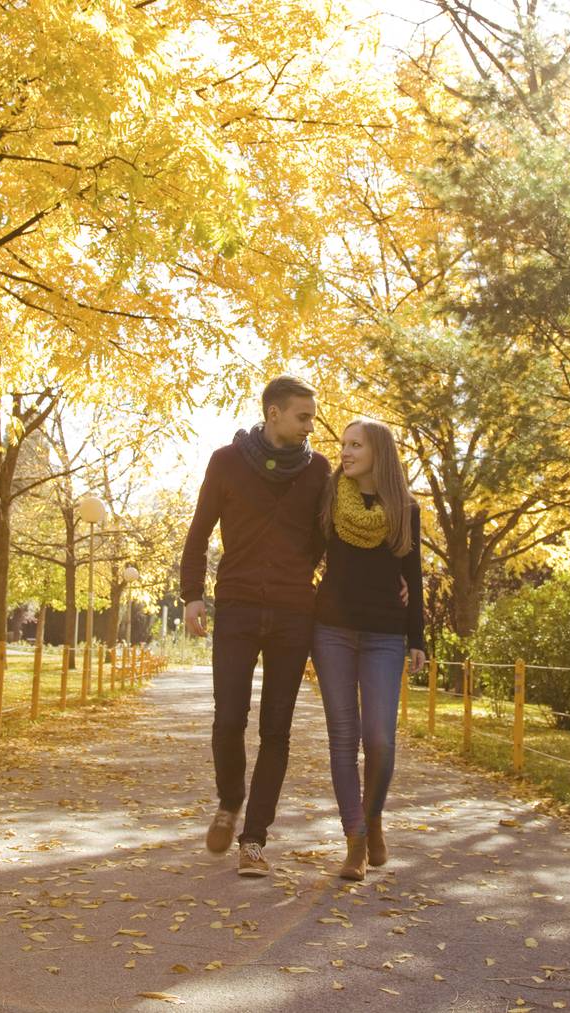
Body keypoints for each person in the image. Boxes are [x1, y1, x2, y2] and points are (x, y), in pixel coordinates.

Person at [180, 376, 331, 878]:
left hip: (293, 612)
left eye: (311, 416)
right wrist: (192, 597)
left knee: (276, 730)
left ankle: (254, 840)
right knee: (228, 717)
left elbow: (329, 543)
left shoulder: (319, 472)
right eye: (302, 416)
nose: (311, 426)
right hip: (239, 607)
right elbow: (199, 531)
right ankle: (230, 800)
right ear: (273, 413)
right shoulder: (226, 462)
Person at [309, 418, 425, 882]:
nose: (346, 452)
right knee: (344, 737)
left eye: (355, 445)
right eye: (344, 445)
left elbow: (412, 576)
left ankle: (373, 814)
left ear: (379, 451)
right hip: (332, 630)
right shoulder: (329, 500)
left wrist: (417, 638)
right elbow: (306, 555)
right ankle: (355, 838)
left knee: (380, 739)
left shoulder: (405, 510)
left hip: (383, 635)